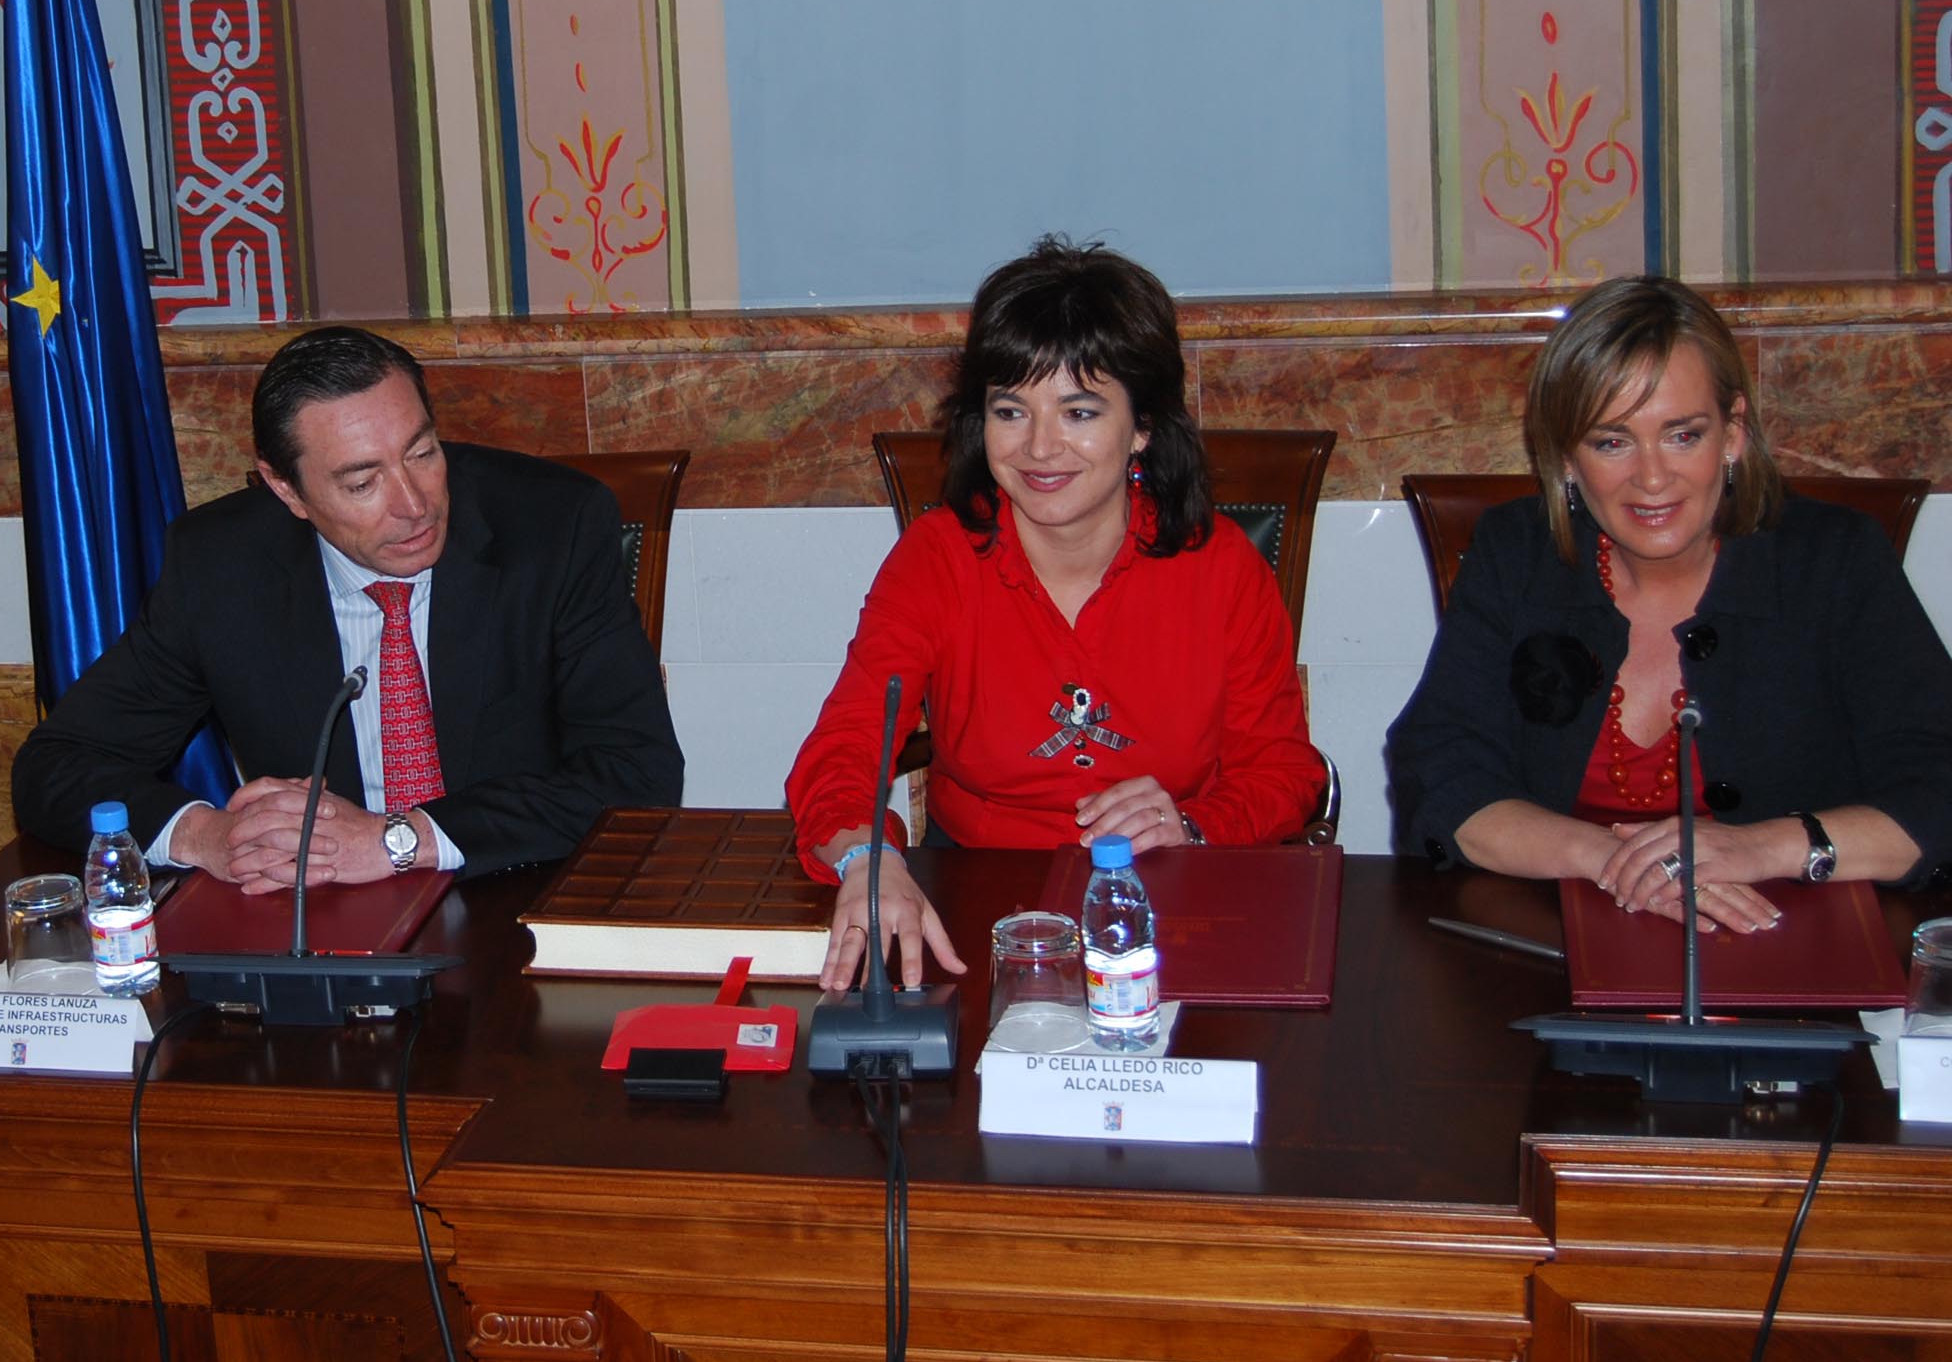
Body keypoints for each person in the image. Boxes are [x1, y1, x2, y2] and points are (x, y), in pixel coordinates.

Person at [787, 238, 1326, 988]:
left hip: (1172, 892)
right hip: (976, 895)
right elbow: (842, 748)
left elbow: (1284, 769)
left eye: (1079, 411)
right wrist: (867, 860)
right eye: (1011, 410)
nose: (1040, 447)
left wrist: (1195, 824)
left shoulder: (1222, 564)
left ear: (1142, 426)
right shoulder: (937, 558)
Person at [12, 326, 684, 889]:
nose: (414, 504)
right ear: (287, 490)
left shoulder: (553, 528)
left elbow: (637, 773)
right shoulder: (221, 567)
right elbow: (57, 765)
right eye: (362, 482)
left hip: (516, 893)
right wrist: (209, 836)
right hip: (319, 921)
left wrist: (399, 839)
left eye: (422, 453)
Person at [1387, 276, 1952, 929]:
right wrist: (1612, 861)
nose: (1652, 478)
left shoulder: (1835, 559)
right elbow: (1440, 767)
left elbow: (1938, 783)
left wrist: (1762, 847)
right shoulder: (1515, 551)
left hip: (1793, 939)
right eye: (1611, 441)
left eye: (1683, 435)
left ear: (1733, 433)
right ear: (1564, 457)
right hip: (1558, 941)